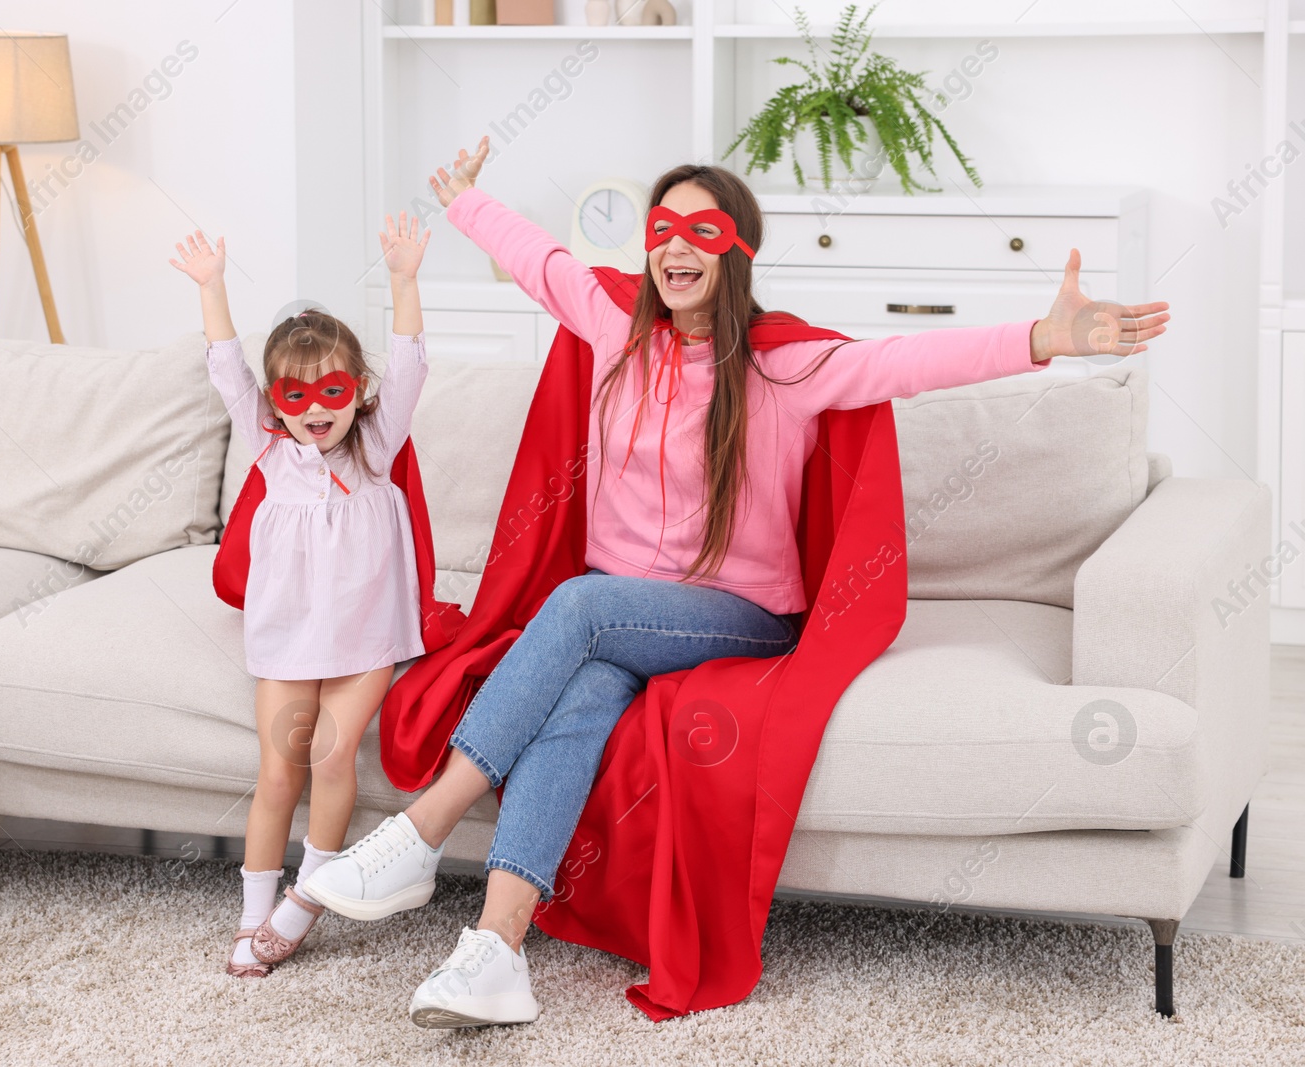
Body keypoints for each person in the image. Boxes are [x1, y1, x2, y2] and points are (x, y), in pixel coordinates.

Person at [307, 137, 1172, 1028]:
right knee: (575, 706)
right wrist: (463, 203)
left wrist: (1047, 337)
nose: (676, 247)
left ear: (736, 252)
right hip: (620, 619)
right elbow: (541, 260)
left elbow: (909, 364)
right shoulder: (614, 330)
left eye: (702, 231)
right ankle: (495, 951)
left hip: (741, 614)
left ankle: (421, 829)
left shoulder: (783, 365)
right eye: (662, 229)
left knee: (581, 606)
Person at [168, 214, 435, 977]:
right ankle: (255, 910)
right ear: (276, 403)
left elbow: (413, 367)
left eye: (333, 391)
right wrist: (213, 288)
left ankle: (307, 899)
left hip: (364, 638)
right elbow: (226, 368)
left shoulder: (375, 449)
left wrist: (404, 279)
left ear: (358, 393)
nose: (315, 409)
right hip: (289, 636)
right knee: (281, 765)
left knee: (330, 751)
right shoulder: (270, 451)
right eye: (296, 395)